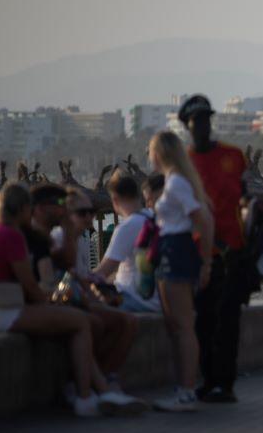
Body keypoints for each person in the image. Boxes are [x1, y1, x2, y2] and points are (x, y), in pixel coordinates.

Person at [0, 183, 145, 416]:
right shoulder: (14, 237)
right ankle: (87, 393)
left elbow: (62, 268)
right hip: (10, 309)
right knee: (83, 322)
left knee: (103, 320)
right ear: (28, 208)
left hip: (16, 306)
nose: (62, 211)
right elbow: (32, 284)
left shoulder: (23, 236)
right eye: (59, 207)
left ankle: (97, 389)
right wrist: (51, 304)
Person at [179, 94, 250, 404]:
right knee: (204, 319)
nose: (203, 126)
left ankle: (226, 382)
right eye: (197, 122)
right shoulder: (183, 163)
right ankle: (209, 380)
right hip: (199, 253)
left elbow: (243, 195)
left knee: (229, 319)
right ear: (187, 126)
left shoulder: (234, 156)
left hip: (233, 252)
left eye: (207, 120)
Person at [148, 130, 215, 412]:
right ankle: (182, 387)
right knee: (175, 325)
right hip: (169, 249)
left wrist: (206, 261)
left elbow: (204, 220)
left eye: (150, 150)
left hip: (177, 249)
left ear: (160, 153)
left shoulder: (176, 183)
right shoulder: (174, 181)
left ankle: (187, 390)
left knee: (183, 325)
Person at [49, 186, 140, 393]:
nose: (89, 217)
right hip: (68, 303)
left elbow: (82, 276)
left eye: (91, 212)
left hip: (80, 300)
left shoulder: (81, 239)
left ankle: (105, 375)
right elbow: (66, 276)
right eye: (82, 213)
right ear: (67, 215)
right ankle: (96, 384)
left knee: (128, 322)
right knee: (105, 323)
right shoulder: (59, 238)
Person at [94, 172, 160, 313]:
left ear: (115, 200)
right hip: (155, 297)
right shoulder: (153, 217)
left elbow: (102, 272)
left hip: (134, 300)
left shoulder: (128, 226)